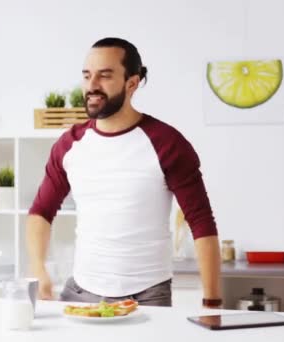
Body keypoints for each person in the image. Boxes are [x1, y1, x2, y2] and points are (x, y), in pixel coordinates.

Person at [26, 37, 222, 308]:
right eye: (87, 76)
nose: (92, 86)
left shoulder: (167, 143)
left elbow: (201, 224)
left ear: (132, 83)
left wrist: (212, 301)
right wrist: (39, 268)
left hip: (147, 296)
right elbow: (40, 212)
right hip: (80, 293)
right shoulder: (69, 144)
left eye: (104, 76)